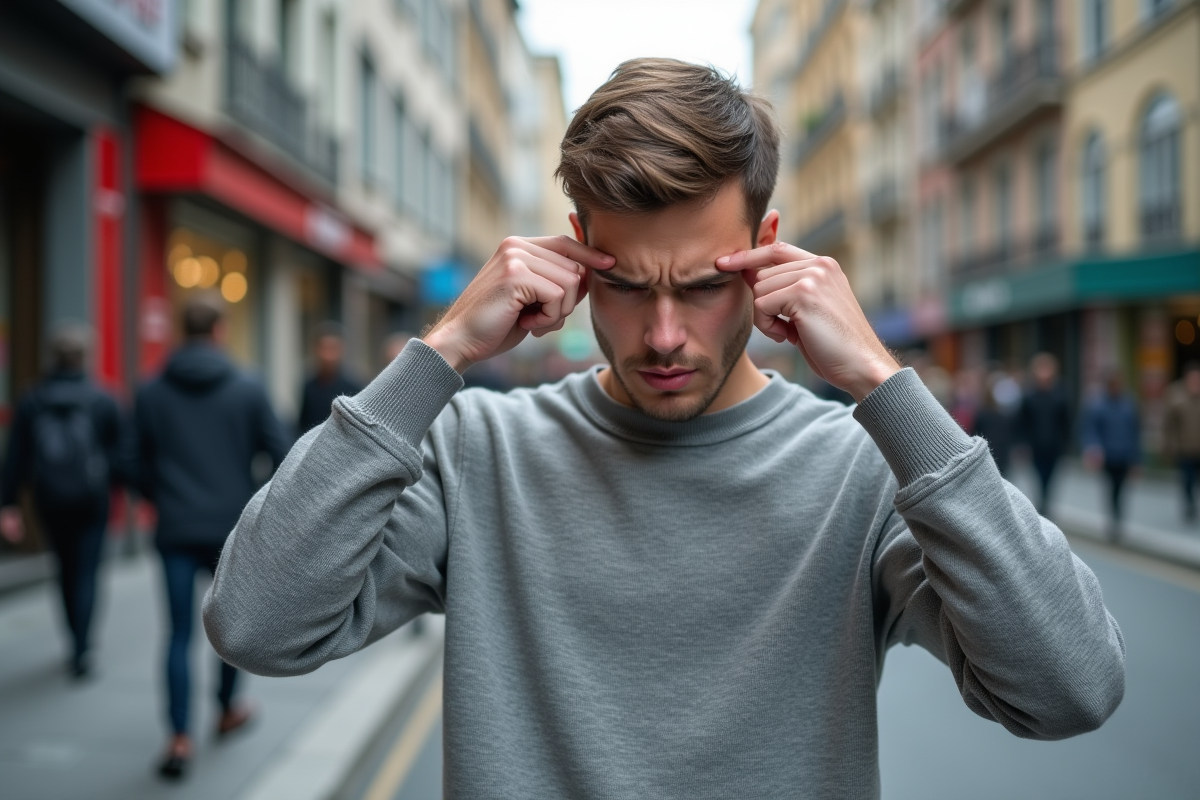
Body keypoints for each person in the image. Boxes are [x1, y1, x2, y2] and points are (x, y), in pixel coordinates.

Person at [204, 60, 1124, 797]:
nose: (665, 334)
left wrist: (884, 385)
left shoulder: (865, 469)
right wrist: (436, 355)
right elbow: (256, 624)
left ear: (768, 249)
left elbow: (1071, 689)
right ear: (574, 250)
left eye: (703, 283)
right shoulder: (477, 449)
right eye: (629, 284)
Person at [131, 295, 289, 779]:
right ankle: (226, 710)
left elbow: (128, 460)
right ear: (220, 330)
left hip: (175, 526)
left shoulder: (151, 390)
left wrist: (160, 495)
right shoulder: (247, 385)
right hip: (230, 528)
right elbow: (281, 453)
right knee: (229, 629)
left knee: (177, 634)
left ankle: (179, 738)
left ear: (183, 329)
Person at [1, 325, 123, 679]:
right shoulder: (103, 399)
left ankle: (72, 636)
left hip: (48, 499)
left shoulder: (31, 399)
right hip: (92, 500)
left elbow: (16, 456)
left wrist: (8, 503)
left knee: (64, 568)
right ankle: (82, 647)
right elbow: (120, 454)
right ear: (86, 357)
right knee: (87, 571)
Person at [1081, 371, 1141, 540]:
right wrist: (1093, 449)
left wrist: (1136, 460)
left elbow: (1135, 433)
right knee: (1111, 489)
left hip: (1124, 455)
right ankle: (1114, 520)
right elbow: (1090, 429)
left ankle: (1117, 520)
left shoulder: (1129, 404)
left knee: (1121, 489)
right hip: (1107, 456)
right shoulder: (1098, 405)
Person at [1018, 352, 1070, 515]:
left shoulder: (1060, 395)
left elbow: (1066, 421)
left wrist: (1066, 442)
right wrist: (1023, 443)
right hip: (1036, 445)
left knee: (1051, 477)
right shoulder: (1029, 396)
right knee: (1039, 477)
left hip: (1054, 445)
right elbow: (1022, 422)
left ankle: (1045, 504)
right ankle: (1042, 506)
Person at [296, 322, 363, 436]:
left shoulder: (353, 386)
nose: (327, 355)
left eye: (332, 349)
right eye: (323, 348)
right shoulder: (309, 386)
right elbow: (303, 426)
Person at [1162, 362, 1200, 521]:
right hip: (1184, 448)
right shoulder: (1175, 393)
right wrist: (1168, 446)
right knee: (1187, 481)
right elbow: (1168, 424)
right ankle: (1189, 505)